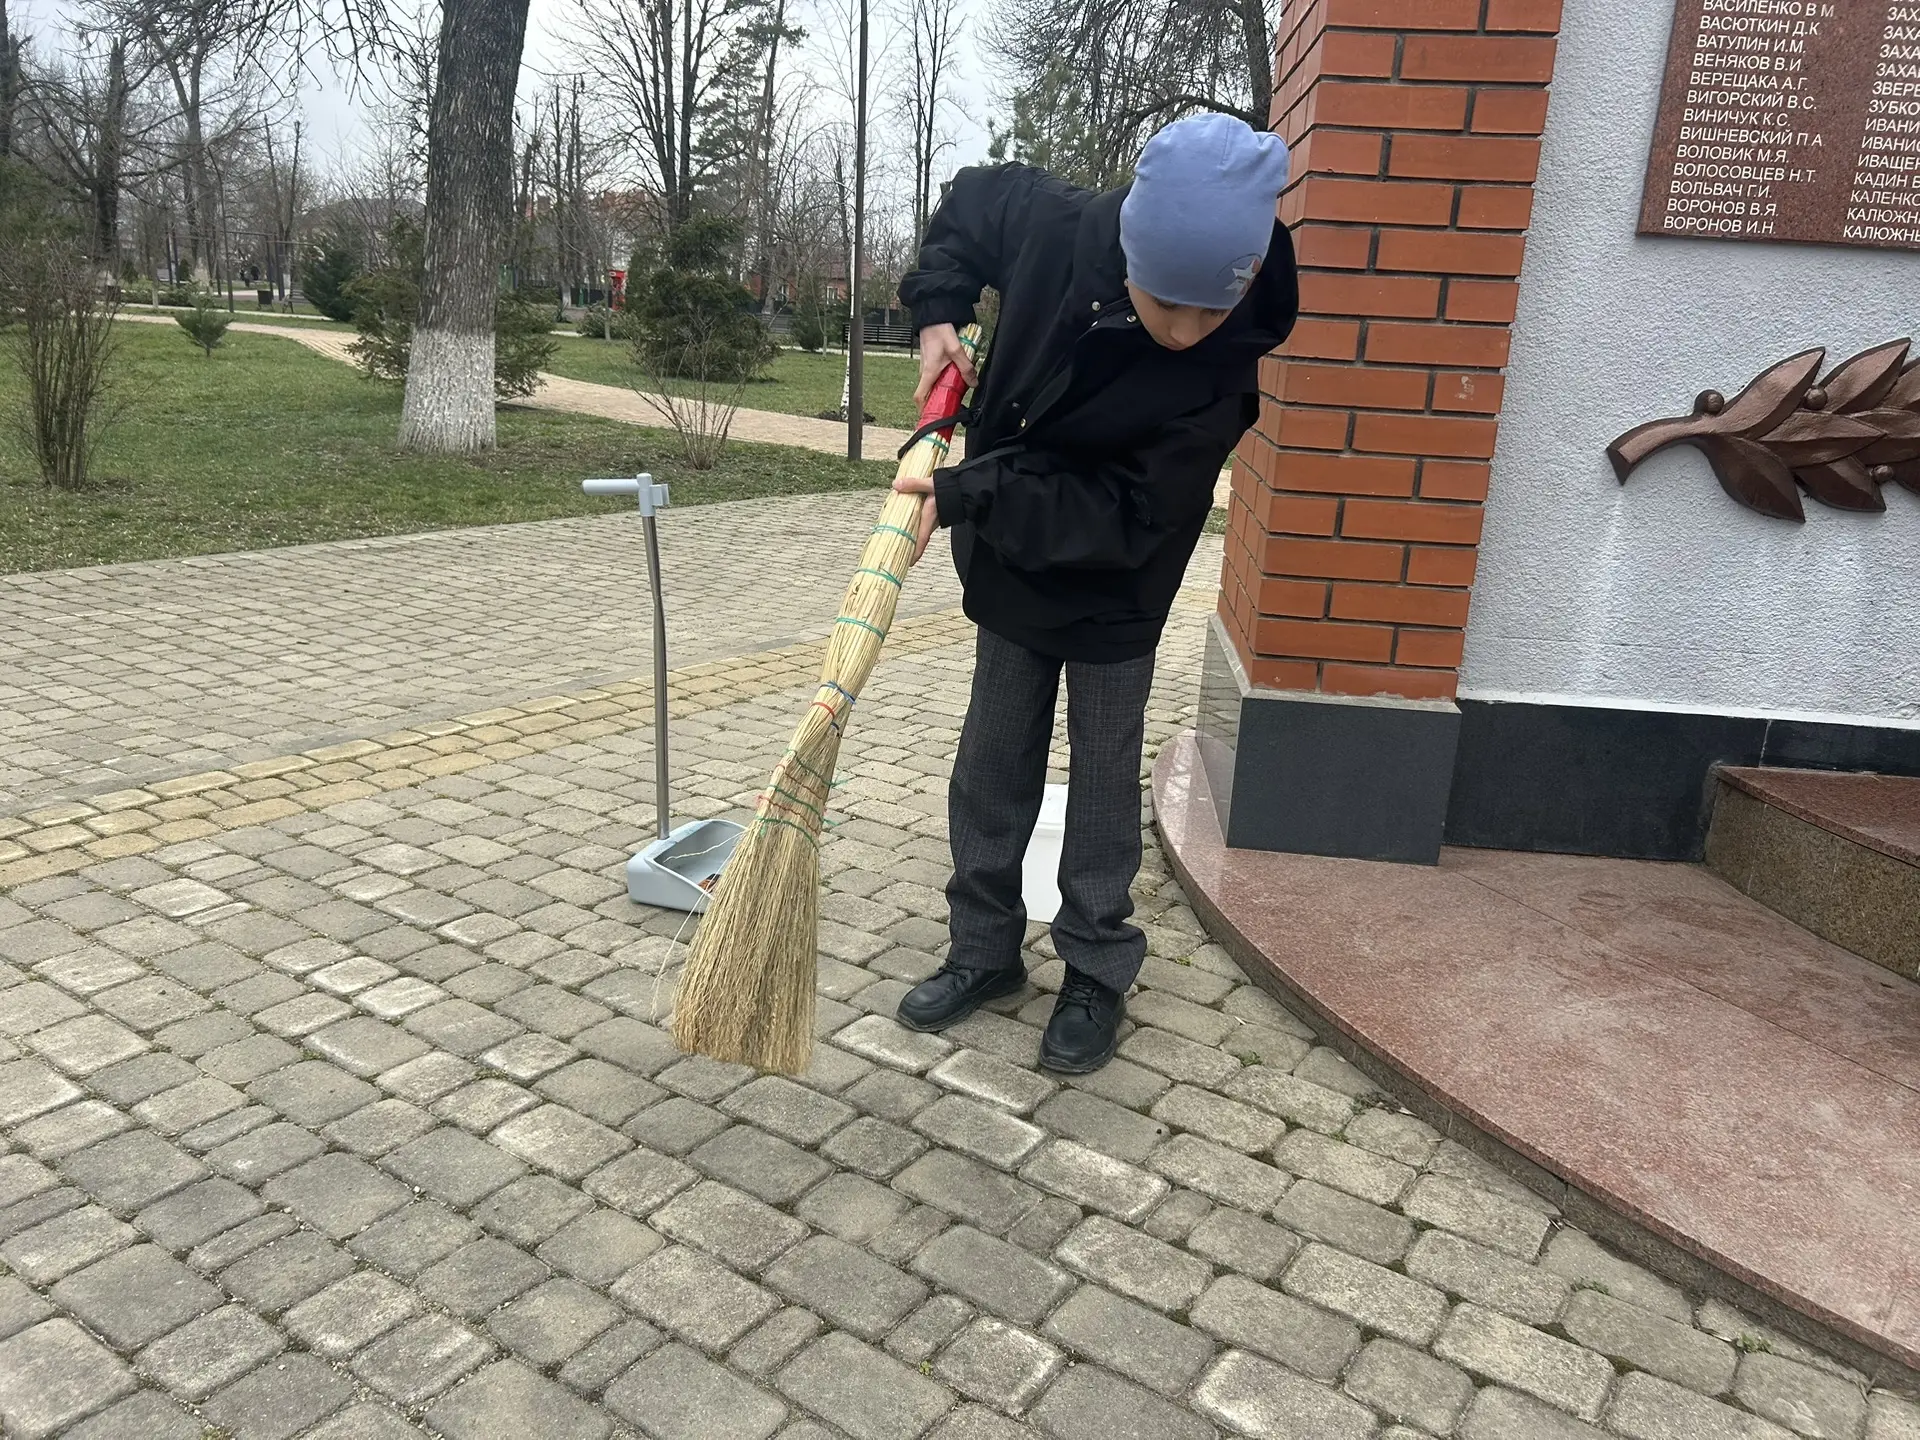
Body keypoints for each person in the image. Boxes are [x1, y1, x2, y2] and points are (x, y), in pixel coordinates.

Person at [891, 113, 1299, 1072]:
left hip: (1120, 575)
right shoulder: (1051, 222)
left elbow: (1123, 510)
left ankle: (1095, 967)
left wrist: (967, 494)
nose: (1185, 333)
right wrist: (938, 311)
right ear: (1127, 251)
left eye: (1210, 312)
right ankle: (983, 949)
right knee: (992, 757)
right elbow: (966, 208)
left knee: (1105, 775)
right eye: (1166, 303)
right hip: (1011, 557)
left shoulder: (1222, 369)